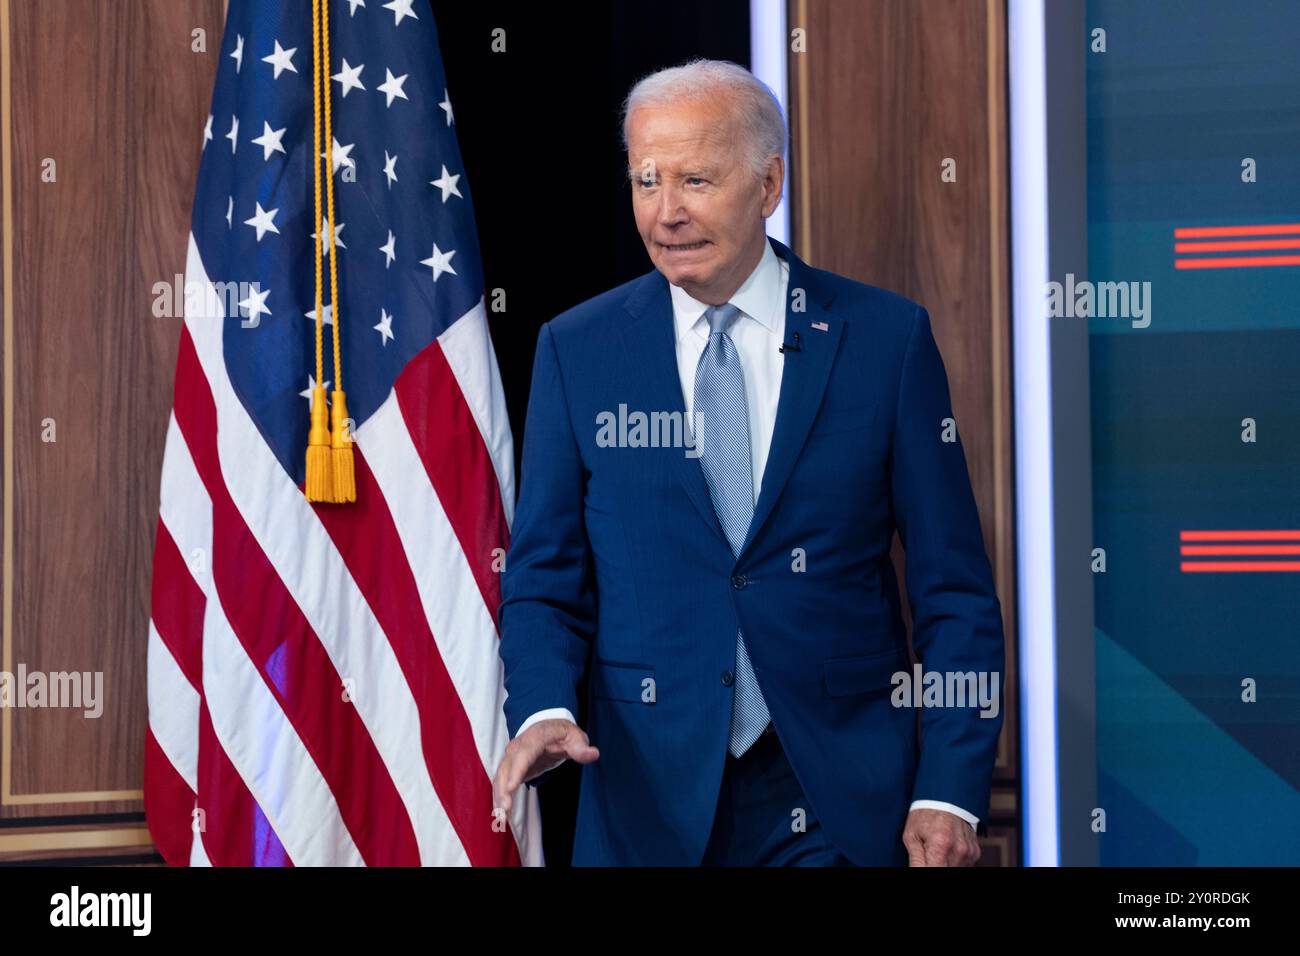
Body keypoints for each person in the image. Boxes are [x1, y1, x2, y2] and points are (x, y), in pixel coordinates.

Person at [493, 58, 1005, 866]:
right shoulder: (577, 350)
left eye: (695, 180)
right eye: (645, 181)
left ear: (768, 186)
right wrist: (543, 709)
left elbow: (955, 592)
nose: (666, 214)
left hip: (839, 800)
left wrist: (948, 788)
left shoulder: (883, 341)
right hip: (646, 803)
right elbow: (542, 580)